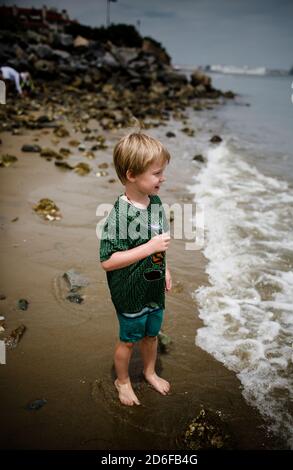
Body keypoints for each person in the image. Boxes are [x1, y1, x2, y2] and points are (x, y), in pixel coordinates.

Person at [99, 129, 172, 406]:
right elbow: (107, 260)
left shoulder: (155, 203)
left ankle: (150, 371)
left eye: (162, 172)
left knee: (152, 334)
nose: (162, 178)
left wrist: (165, 268)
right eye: (156, 173)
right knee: (129, 340)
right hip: (129, 292)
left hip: (153, 288)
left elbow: (160, 243)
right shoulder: (119, 215)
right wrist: (149, 248)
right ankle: (123, 381)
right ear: (131, 175)